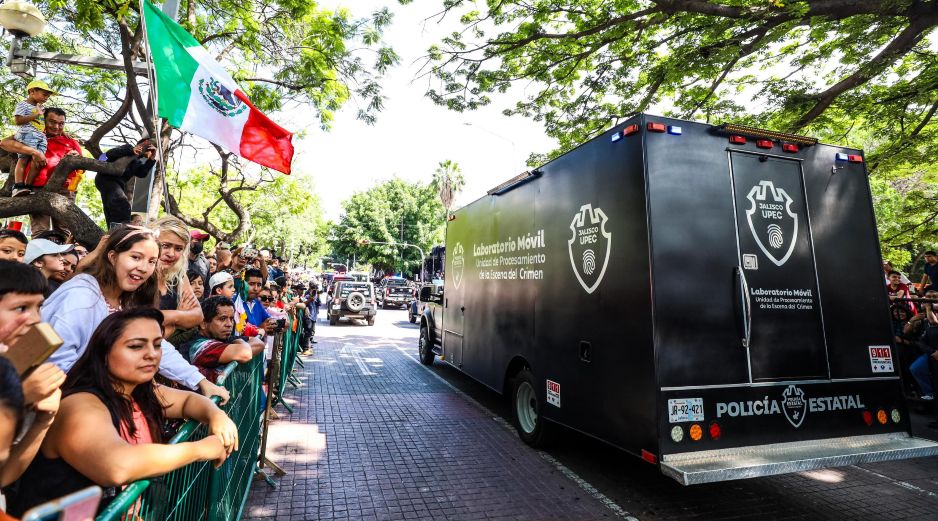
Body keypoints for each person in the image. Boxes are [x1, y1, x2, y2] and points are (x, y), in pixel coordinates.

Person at [6, 309, 238, 516]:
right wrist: (202, 448)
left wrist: (216, 416)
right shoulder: (80, 405)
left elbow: (187, 400)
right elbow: (117, 466)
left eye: (157, 344)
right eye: (136, 346)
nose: (151, 354)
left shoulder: (139, 390)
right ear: (104, 351)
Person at [41, 226, 229, 403]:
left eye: (151, 261)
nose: (143, 268)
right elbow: (55, 365)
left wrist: (200, 382)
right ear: (113, 257)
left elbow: (155, 345)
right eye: (136, 257)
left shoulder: (128, 300)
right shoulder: (80, 296)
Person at [0, 261, 65, 505]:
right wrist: (20, 397)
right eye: (20, 308)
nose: (35, 319)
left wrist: (42, 421)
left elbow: (4, 476)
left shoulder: (25, 366)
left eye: (38, 307)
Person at [0, 108, 83, 236]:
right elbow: (4, 143)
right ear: (43, 120)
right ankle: (40, 255)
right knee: (40, 231)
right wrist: (34, 152)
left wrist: (76, 158)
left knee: (64, 230)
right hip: (35, 190)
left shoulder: (71, 141)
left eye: (61, 124)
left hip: (64, 191)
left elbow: (82, 168)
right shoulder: (31, 135)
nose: (56, 127)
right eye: (52, 122)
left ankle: (63, 255)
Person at [180, 297, 262, 382]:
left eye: (231, 319)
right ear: (203, 324)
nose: (229, 324)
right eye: (222, 319)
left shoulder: (221, 338)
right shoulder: (199, 346)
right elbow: (245, 353)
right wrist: (239, 342)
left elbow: (259, 343)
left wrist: (236, 343)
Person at [153, 217, 203, 338]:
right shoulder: (139, 275)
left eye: (178, 248)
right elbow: (143, 324)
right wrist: (180, 317)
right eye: (165, 246)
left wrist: (169, 317)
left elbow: (198, 315)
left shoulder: (178, 275)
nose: (171, 254)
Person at [95, 138, 157, 228]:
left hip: (116, 184)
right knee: (122, 204)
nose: (151, 152)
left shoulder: (137, 162)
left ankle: (112, 232)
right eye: (151, 149)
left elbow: (142, 173)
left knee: (111, 209)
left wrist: (151, 159)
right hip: (107, 178)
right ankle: (121, 232)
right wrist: (131, 150)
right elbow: (109, 154)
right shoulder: (127, 147)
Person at [11, 80, 56, 197]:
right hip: (27, 134)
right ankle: (18, 186)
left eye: (48, 96)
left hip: (40, 137)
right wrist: (36, 114)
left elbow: (43, 123)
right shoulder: (23, 104)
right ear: (32, 92)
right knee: (23, 159)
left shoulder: (40, 107)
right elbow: (18, 121)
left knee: (38, 161)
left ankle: (28, 186)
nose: (46, 98)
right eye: (44, 94)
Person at [910, 291, 938, 401]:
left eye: (934, 297)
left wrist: (928, 308)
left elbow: (934, 322)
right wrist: (932, 352)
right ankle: (929, 392)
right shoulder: (922, 318)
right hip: (932, 352)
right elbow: (920, 341)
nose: (931, 299)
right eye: (929, 297)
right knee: (916, 368)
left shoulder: (931, 315)